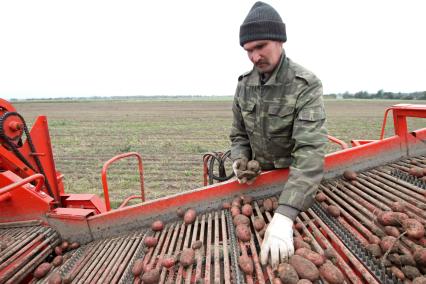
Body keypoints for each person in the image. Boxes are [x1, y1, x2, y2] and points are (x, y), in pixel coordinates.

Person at [230, 1, 328, 268]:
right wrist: (239, 162)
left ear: (280, 40)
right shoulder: (244, 85)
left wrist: (285, 215)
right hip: (258, 183)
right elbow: (239, 135)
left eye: (260, 47)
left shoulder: (304, 85)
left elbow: (310, 152)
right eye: (248, 50)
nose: (253, 57)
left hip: (294, 184)